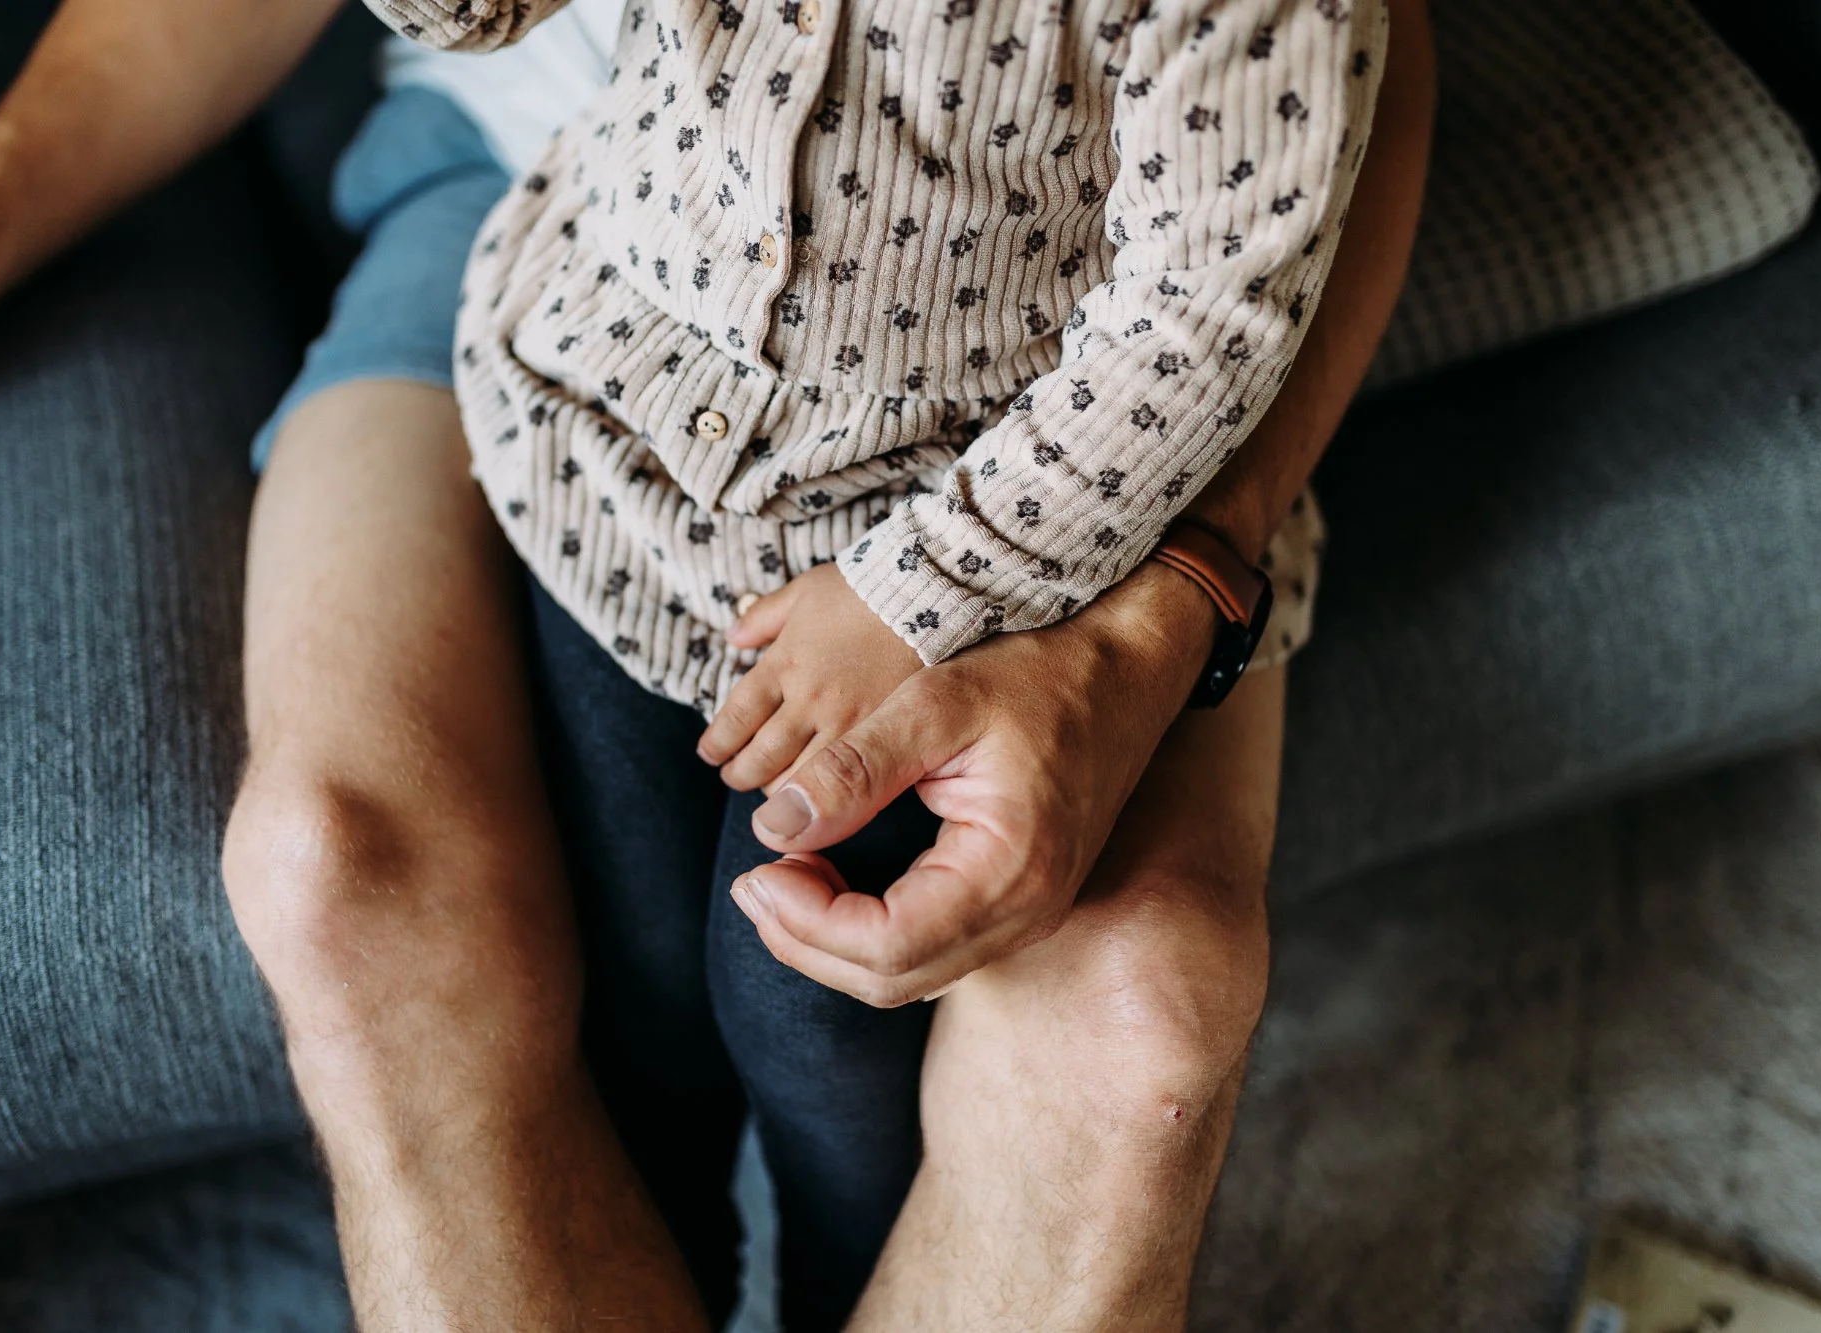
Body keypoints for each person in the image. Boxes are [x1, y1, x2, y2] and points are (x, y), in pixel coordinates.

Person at [216, 1, 1433, 1330]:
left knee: (823, 1003)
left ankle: (837, 1285)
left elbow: (1213, 306)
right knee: (624, 968)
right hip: (614, 432)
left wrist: (930, 588)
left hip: (969, 502)